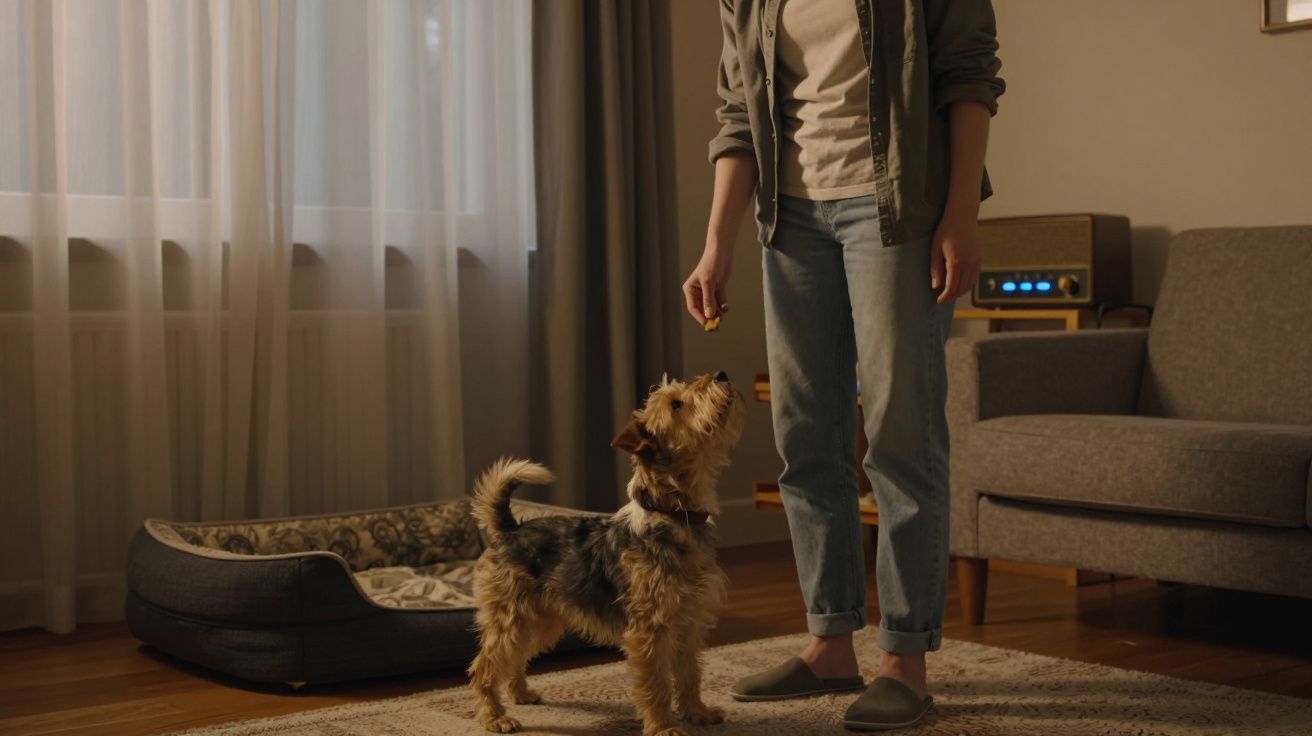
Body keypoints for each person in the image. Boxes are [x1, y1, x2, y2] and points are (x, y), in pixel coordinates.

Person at [682, 0, 1004, 729]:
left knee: (899, 434)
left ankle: (905, 662)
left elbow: (969, 80)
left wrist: (961, 215)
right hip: (789, 218)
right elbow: (739, 112)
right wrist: (718, 244)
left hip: (896, 207)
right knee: (807, 437)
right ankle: (829, 643)